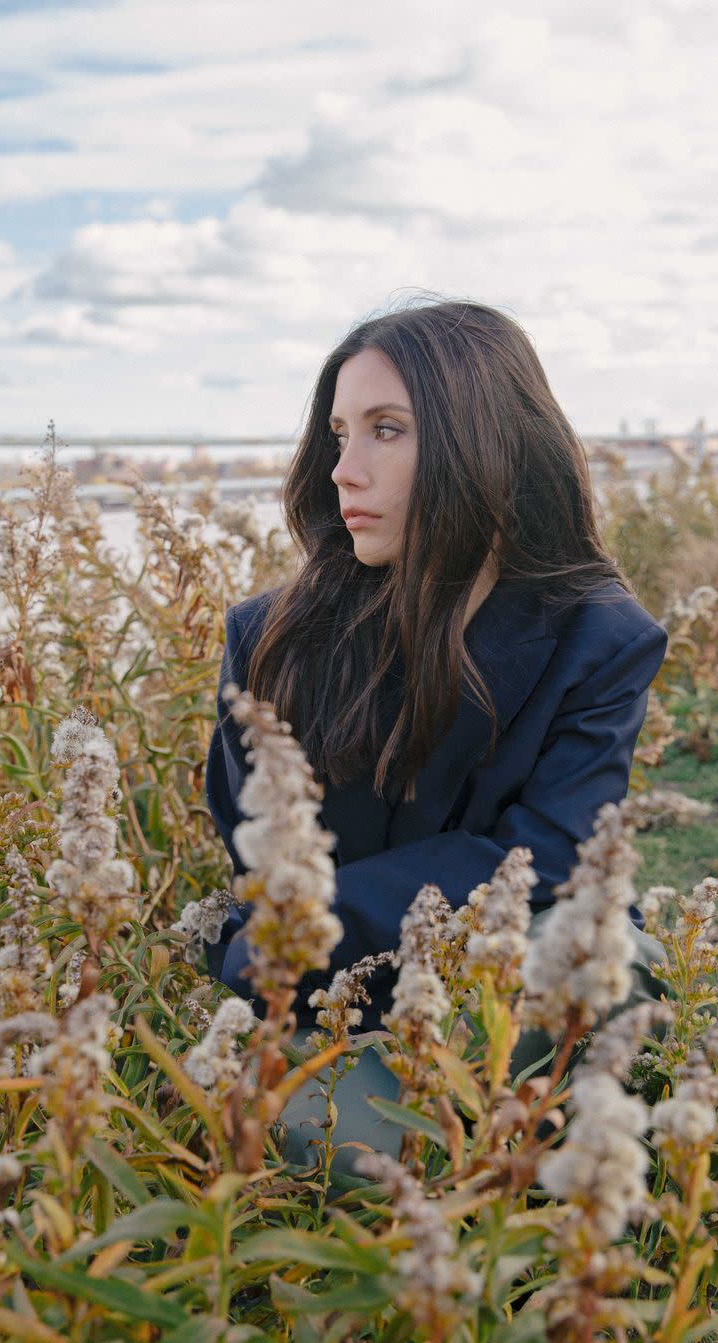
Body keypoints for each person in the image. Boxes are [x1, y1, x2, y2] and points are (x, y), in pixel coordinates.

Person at [203, 299, 668, 1167]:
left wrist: (296, 927)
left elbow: (557, 850)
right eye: (339, 434)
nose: (344, 469)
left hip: (512, 961)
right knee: (322, 1143)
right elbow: (261, 853)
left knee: (615, 964)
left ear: (483, 440)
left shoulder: (599, 636)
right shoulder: (268, 637)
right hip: (326, 983)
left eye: (387, 430)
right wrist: (279, 950)